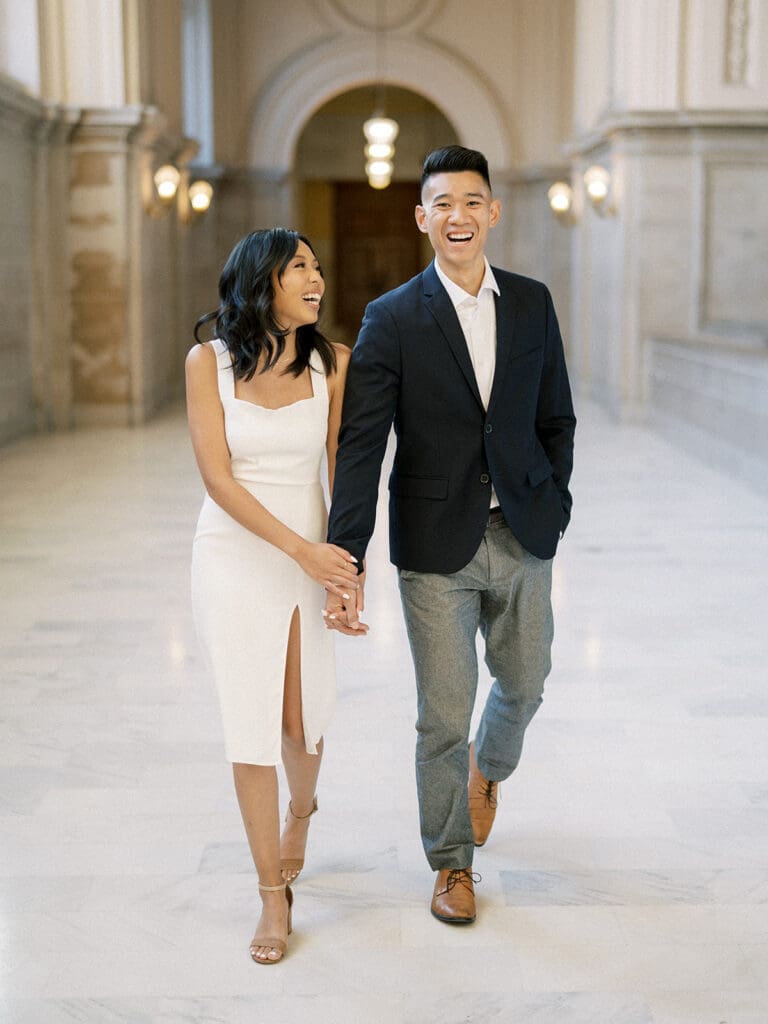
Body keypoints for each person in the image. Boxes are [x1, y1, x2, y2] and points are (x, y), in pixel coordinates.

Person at [325, 146, 575, 925]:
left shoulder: (532, 303)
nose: (458, 216)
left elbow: (555, 416)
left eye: (473, 201)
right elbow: (363, 444)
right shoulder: (391, 317)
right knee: (442, 712)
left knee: (526, 681)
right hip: (436, 542)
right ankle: (451, 864)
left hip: (523, 530)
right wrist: (347, 555)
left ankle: (489, 770)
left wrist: (554, 501)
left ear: (493, 212)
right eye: (443, 203)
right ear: (422, 217)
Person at [186, 228, 363, 964]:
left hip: (312, 547)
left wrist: (346, 575)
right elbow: (218, 479)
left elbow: (340, 472)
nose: (317, 280)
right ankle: (269, 895)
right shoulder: (209, 363)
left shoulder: (335, 363)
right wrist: (301, 551)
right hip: (234, 552)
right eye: (300, 269)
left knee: (301, 715)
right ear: (262, 282)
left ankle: (302, 808)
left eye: (318, 268)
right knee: (249, 718)